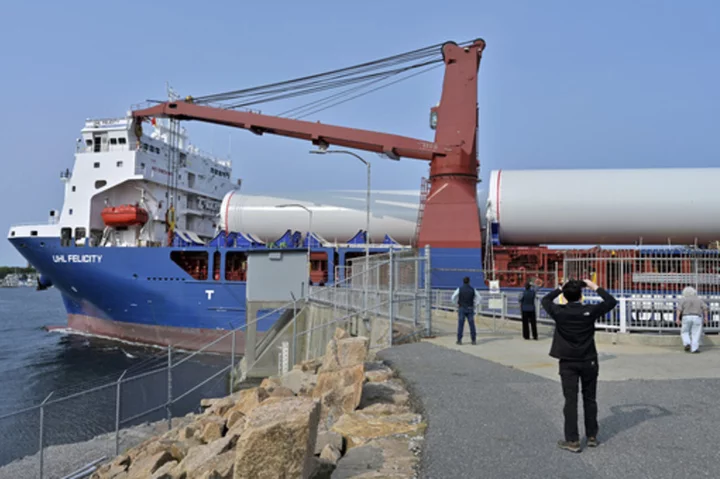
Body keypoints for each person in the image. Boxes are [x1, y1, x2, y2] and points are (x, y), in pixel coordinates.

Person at [541, 279, 618, 453]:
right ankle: (591, 436)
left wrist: (560, 288)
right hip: (589, 359)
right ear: (581, 295)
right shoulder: (589, 311)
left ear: (565, 297)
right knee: (590, 398)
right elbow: (611, 302)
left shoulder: (559, 312)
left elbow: (545, 300)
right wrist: (594, 286)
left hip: (567, 361)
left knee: (570, 400)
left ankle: (573, 440)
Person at [676, 286, 709, 353]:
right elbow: (705, 308)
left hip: (686, 316)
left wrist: (677, 318)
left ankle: (687, 343)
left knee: (684, 331)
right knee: (696, 333)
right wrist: (706, 317)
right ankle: (694, 349)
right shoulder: (699, 300)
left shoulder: (683, 300)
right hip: (697, 317)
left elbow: (679, 309)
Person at [451, 276, 479, 345]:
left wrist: (456, 304)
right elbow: (479, 298)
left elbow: (453, 297)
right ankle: (473, 340)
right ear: (469, 282)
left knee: (461, 325)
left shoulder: (459, 289)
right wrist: (475, 305)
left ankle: (459, 340)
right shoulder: (473, 289)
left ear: (463, 282)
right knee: (472, 325)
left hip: (462, 308)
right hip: (470, 308)